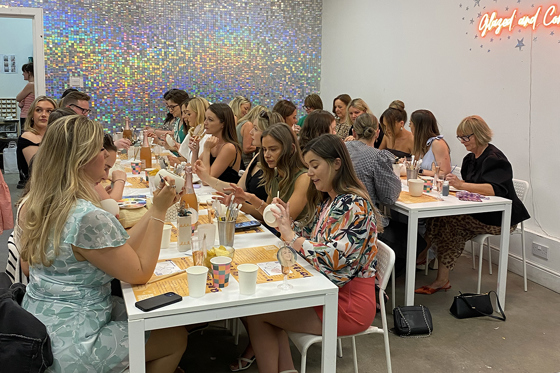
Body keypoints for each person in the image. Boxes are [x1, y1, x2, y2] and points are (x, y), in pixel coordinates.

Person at [19, 115, 188, 372]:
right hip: (73, 343)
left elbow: (113, 250)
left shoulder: (37, 202)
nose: (106, 156)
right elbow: (140, 272)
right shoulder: (88, 216)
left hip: (37, 327)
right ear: (82, 159)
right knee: (175, 337)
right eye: (100, 149)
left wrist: (154, 208)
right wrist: (161, 212)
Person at [246, 134, 379, 373]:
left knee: (258, 313)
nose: (309, 173)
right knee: (262, 309)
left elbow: (335, 258)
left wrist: (291, 237)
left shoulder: (354, 205)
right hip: (329, 290)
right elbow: (313, 236)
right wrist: (286, 224)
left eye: (315, 166)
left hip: (349, 303)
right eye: (308, 166)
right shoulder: (332, 201)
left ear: (337, 164)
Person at [415, 115, 530, 294]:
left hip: (499, 218)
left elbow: (494, 189)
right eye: (460, 138)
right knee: (440, 218)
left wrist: (461, 185)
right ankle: (427, 260)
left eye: (466, 137)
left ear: (478, 134)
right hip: (479, 212)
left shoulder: (495, 159)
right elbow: (471, 188)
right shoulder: (470, 159)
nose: (462, 142)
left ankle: (430, 265)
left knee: (450, 223)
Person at [195, 110, 282, 221]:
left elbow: (267, 214)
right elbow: (237, 188)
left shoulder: (275, 166)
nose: (250, 133)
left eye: (255, 129)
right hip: (248, 216)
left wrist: (239, 204)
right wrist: (207, 178)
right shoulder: (258, 156)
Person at [221, 123, 309, 223]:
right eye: (264, 149)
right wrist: (239, 204)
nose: (266, 155)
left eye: (273, 149)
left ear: (291, 149)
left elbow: (284, 220)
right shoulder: (277, 173)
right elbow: (265, 214)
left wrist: (251, 198)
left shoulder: (304, 178)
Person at [346, 113, 401, 227]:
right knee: (416, 239)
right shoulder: (378, 157)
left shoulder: (342, 149)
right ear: (377, 133)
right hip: (366, 222)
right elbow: (389, 197)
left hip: (340, 215)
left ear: (354, 132)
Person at [190, 103, 242, 183]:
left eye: (210, 120)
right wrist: (195, 151)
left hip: (225, 194)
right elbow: (194, 171)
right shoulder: (213, 143)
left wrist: (207, 150)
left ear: (223, 124)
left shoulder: (229, 147)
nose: (205, 123)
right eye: (205, 118)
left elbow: (206, 180)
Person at [16, 96, 57, 189]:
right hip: (38, 191)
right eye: (38, 110)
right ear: (32, 115)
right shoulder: (28, 137)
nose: (43, 114)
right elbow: (39, 170)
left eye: (49, 111)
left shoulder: (54, 137)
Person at [169, 97, 210, 165]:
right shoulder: (194, 131)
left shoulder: (207, 136)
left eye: (188, 114)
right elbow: (187, 158)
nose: (185, 117)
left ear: (199, 114)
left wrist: (180, 165)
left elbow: (197, 165)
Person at [410, 109, 451, 176]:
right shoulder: (423, 144)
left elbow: (445, 173)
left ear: (418, 127)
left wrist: (420, 171)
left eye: (410, 124)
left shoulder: (437, 143)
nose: (410, 126)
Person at [94, 134, 128, 202]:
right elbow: (112, 206)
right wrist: (120, 181)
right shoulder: (86, 181)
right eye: (104, 168)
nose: (105, 177)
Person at [16, 63, 35, 128]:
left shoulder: (31, 85)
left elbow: (18, 98)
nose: (23, 74)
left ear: (29, 73)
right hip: (29, 115)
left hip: (26, 116)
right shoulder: (34, 84)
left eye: (24, 72)